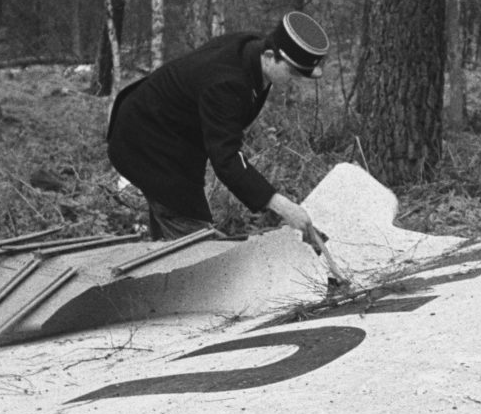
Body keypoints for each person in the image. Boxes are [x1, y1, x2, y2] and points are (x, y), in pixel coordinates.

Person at [107, 12, 331, 242]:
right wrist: (283, 207)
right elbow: (226, 158)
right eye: (292, 72)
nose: (295, 81)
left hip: (176, 138)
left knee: (176, 225)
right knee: (194, 239)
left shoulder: (252, 51)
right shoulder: (227, 83)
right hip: (145, 140)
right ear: (269, 55)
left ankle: (162, 265)